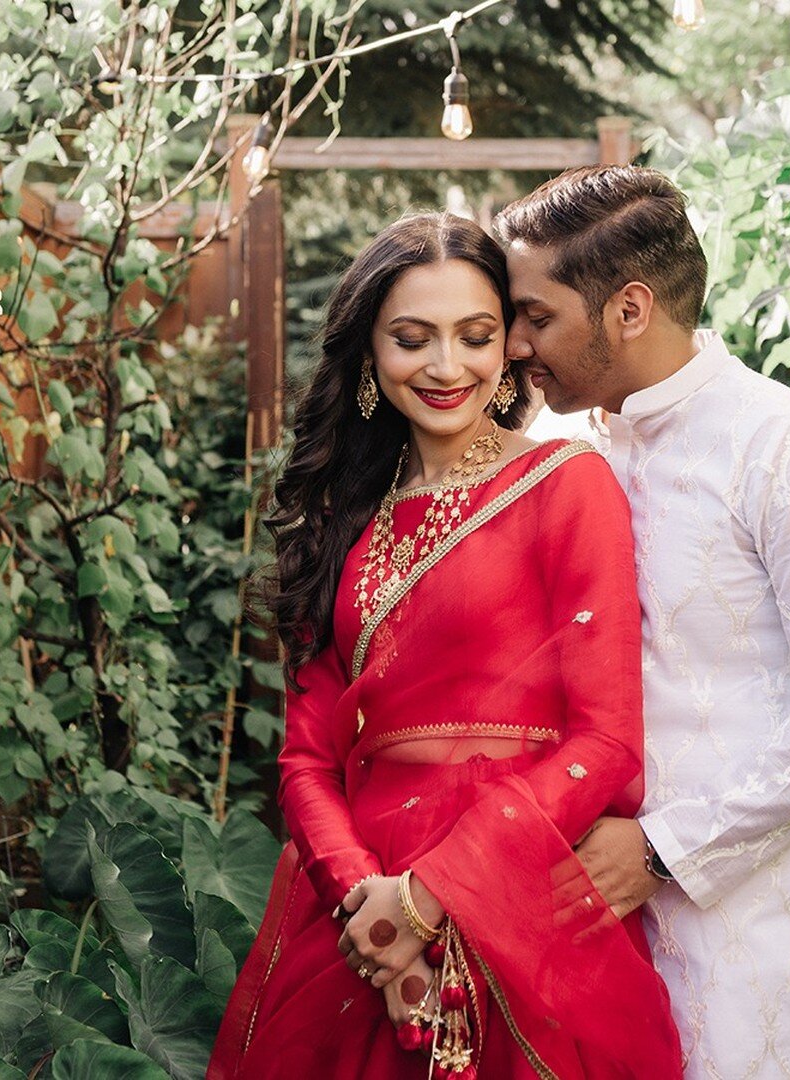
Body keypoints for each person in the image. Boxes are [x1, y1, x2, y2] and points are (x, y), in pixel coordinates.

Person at [208, 213, 682, 1079]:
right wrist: (371, 914)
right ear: (368, 353)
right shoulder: (336, 522)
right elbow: (308, 759)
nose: (445, 366)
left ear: (507, 348)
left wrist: (429, 901)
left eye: (475, 336)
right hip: (355, 899)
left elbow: (607, 740)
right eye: (412, 338)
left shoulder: (566, 486)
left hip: (517, 881)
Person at [497, 165, 790, 1079]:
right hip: (577, 894)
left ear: (629, 309)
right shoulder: (558, 454)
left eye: (538, 316)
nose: (516, 344)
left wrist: (665, 851)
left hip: (746, 909)